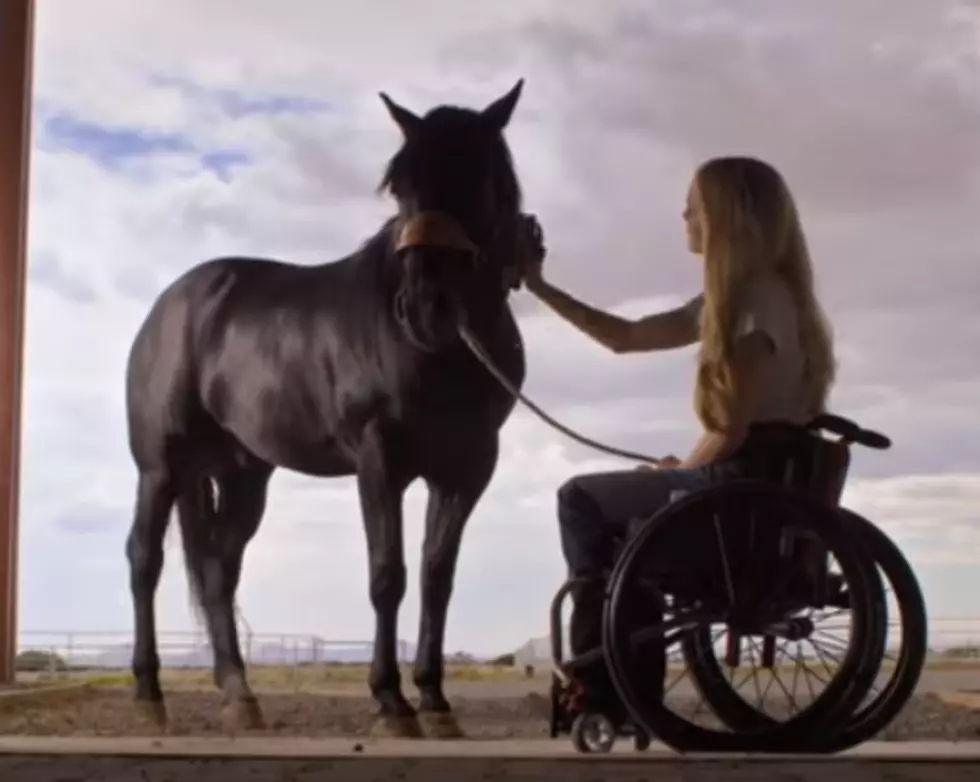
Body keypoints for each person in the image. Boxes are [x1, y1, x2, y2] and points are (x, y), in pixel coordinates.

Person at [522, 155, 837, 698]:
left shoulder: (752, 306)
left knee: (580, 498)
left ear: (724, 217)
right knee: (631, 507)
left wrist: (684, 470)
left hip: (737, 481)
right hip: (756, 476)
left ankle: (602, 672)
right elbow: (626, 336)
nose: (683, 216)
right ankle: (622, 673)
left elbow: (732, 428)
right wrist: (540, 288)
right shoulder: (756, 298)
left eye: (693, 207)